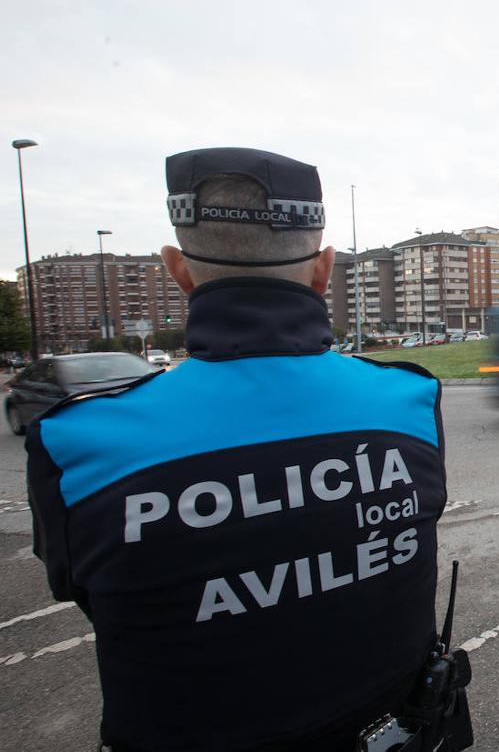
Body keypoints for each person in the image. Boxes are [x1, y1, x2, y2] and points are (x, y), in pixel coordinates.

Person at [26, 148, 468, 752]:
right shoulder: (407, 399)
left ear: (177, 269)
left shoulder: (78, 441)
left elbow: (95, 597)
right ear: (325, 270)